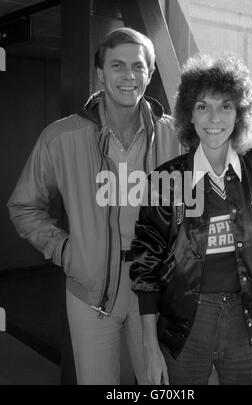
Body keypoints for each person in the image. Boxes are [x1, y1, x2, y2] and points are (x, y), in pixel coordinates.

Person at [7, 27, 180, 385]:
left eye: (138, 66)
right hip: (91, 296)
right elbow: (24, 206)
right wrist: (67, 250)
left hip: (155, 295)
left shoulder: (174, 137)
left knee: (158, 387)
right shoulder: (62, 137)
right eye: (117, 66)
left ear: (149, 74)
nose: (128, 76)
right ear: (100, 73)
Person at [130, 54, 252, 385]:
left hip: (247, 321)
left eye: (226, 106)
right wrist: (149, 346)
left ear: (240, 113)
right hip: (185, 326)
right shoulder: (167, 179)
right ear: (190, 113)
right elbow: (145, 264)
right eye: (203, 106)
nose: (214, 118)